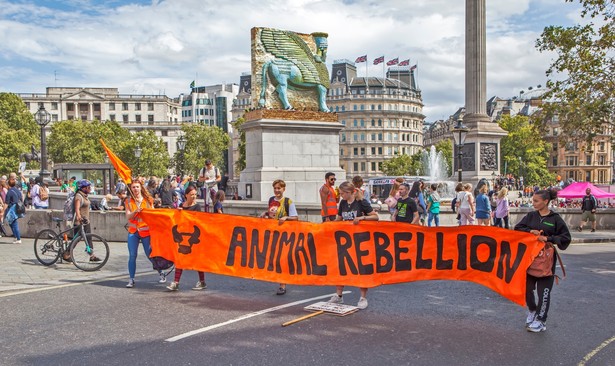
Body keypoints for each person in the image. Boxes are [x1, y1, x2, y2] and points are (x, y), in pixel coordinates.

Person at [514, 188, 571, 333]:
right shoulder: (531, 216)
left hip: (546, 261)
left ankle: (541, 320)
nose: (533, 203)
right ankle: (532, 311)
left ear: (546, 202)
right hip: (530, 259)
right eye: (533, 200)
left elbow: (565, 238)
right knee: (527, 289)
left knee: (544, 292)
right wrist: (529, 231)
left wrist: (548, 238)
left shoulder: (555, 219)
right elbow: (518, 228)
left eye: (536, 201)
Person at [329, 181, 379, 309]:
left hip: (360, 240)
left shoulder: (361, 203)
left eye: (342, 194)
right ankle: (339, 295)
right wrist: (328, 225)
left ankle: (363, 297)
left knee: (361, 268)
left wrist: (362, 219)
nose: (340, 196)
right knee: (341, 266)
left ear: (349, 192)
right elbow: (339, 219)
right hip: (345, 241)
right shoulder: (343, 203)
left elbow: (375, 217)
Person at [125, 179, 167, 288]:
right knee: (132, 255)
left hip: (145, 231)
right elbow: (128, 216)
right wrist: (135, 212)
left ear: (141, 188)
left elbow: (153, 215)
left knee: (150, 254)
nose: (135, 189)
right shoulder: (129, 201)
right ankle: (131, 279)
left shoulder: (148, 200)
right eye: (133, 187)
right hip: (133, 231)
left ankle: (161, 272)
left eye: (137, 187)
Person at [260, 179, 299, 295]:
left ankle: (283, 284)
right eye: (275, 188)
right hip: (273, 234)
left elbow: (295, 217)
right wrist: (265, 214)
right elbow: (272, 214)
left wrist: (286, 218)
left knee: (281, 260)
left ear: (283, 189)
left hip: (284, 236)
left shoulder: (288, 202)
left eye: (279, 188)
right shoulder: (271, 200)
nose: (277, 190)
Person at [166, 185, 207, 291]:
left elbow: (198, 221)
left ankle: (202, 282)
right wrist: (178, 213)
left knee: (197, 261)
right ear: (186, 195)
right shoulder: (181, 205)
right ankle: (176, 282)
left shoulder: (197, 207)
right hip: (182, 235)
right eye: (191, 194)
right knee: (180, 259)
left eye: (195, 194)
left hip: (192, 238)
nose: (194, 196)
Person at [73, 179, 101, 261]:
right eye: (88, 187)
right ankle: (67, 254)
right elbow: (77, 208)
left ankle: (92, 256)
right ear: (83, 188)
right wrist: (78, 216)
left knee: (88, 238)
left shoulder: (85, 196)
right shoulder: (78, 196)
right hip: (80, 222)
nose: (90, 189)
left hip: (86, 221)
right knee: (76, 240)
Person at [4, 174, 23, 244]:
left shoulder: (9, 192)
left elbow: (6, 203)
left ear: (8, 185)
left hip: (12, 209)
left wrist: (3, 211)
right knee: (11, 223)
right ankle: (15, 237)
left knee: (14, 223)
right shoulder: (17, 190)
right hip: (17, 208)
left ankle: (18, 238)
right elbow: (21, 199)